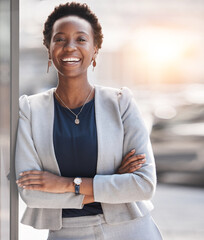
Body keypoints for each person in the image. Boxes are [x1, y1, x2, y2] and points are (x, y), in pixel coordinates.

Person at [15, 2, 162, 240]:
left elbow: (143, 185)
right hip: (67, 233)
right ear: (49, 48)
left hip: (131, 229)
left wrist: (65, 183)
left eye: (81, 39)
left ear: (95, 50)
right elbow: (31, 193)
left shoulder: (121, 103)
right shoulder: (30, 110)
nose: (69, 47)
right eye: (60, 39)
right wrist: (113, 180)